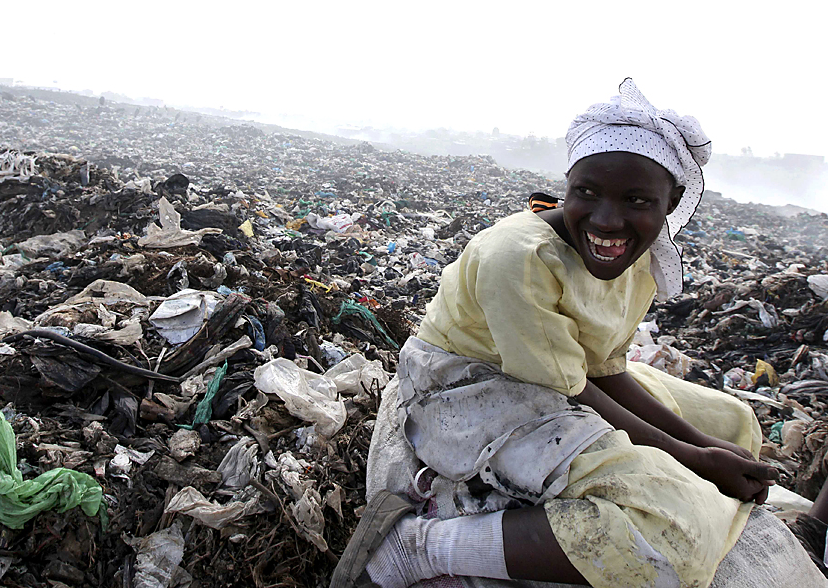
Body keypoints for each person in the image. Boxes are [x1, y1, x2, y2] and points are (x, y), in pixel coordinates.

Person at [331, 79, 783, 588]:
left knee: (735, 420)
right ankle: (422, 549)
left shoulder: (635, 259)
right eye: (586, 192)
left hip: (563, 377)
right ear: (567, 184)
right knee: (672, 526)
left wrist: (701, 446)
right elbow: (569, 387)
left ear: (671, 202)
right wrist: (693, 461)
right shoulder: (520, 257)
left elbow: (606, 371)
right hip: (471, 384)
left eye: (636, 200)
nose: (608, 219)